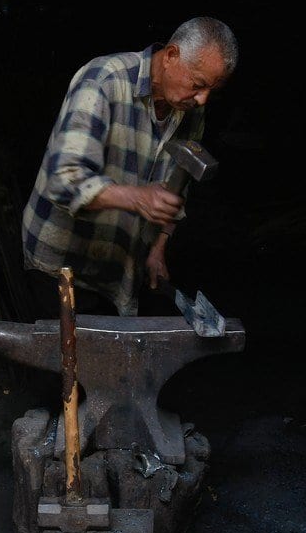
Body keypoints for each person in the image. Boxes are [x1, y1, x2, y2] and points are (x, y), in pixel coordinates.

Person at [20, 16, 239, 318]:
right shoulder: (103, 80)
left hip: (118, 269)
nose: (203, 100)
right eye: (198, 85)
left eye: (212, 90)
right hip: (62, 266)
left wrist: (158, 247)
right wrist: (137, 198)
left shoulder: (189, 110)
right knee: (65, 347)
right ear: (171, 55)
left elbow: (177, 186)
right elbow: (63, 180)